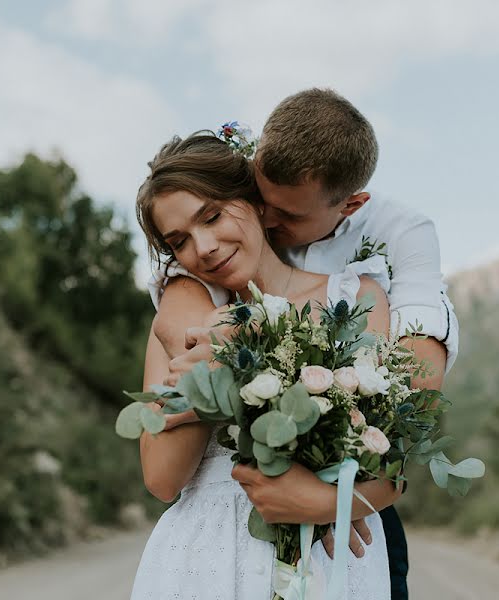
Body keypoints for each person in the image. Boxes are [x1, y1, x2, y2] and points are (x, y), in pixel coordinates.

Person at [149, 89, 460, 600]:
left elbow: (411, 401)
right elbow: (163, 465)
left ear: (350, 204)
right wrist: (208, 357)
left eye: (284, 214)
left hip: (339, 529)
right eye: (261, 202)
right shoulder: (198, 281)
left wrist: (330, 500)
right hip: (206, 548)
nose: (270, 221)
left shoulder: (394, 243)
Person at [130, 131, 399, 599]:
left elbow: (391, 458)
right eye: (180, 241)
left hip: (324, 553)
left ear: (255, 200)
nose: (205, 246)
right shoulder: (182, 324)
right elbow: (162, 479)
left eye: (212, 216)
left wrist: (240, 365)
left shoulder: (355, 299)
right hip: (202, 557)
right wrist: (212, 366)